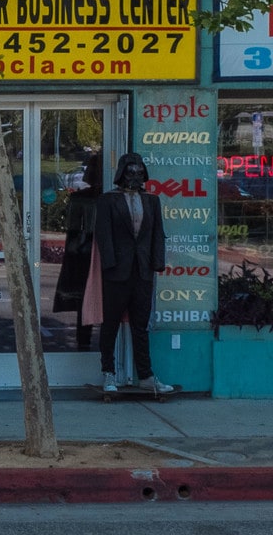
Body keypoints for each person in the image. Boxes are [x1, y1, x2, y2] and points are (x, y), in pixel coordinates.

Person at [94, 151, 175, 396]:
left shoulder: (152, 200)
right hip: (117, 272)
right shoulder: (109, 200)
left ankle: (146, 376)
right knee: (110, 324)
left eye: (140, 173)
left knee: (141, 326)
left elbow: (157, 234)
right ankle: (108, 372)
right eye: (131, 172)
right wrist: (110, 266)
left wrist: (157, 264)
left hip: (143, 271)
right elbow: (103, 235)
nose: (135, 177)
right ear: (121, 173)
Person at [50, 155, 103, 351]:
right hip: (84, 254)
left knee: (100, 299)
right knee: (84, 299)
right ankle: (84, 342)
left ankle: (97, 346)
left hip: (96, 253)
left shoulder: (108, 198)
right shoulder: (81, 198)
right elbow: (73, 230)